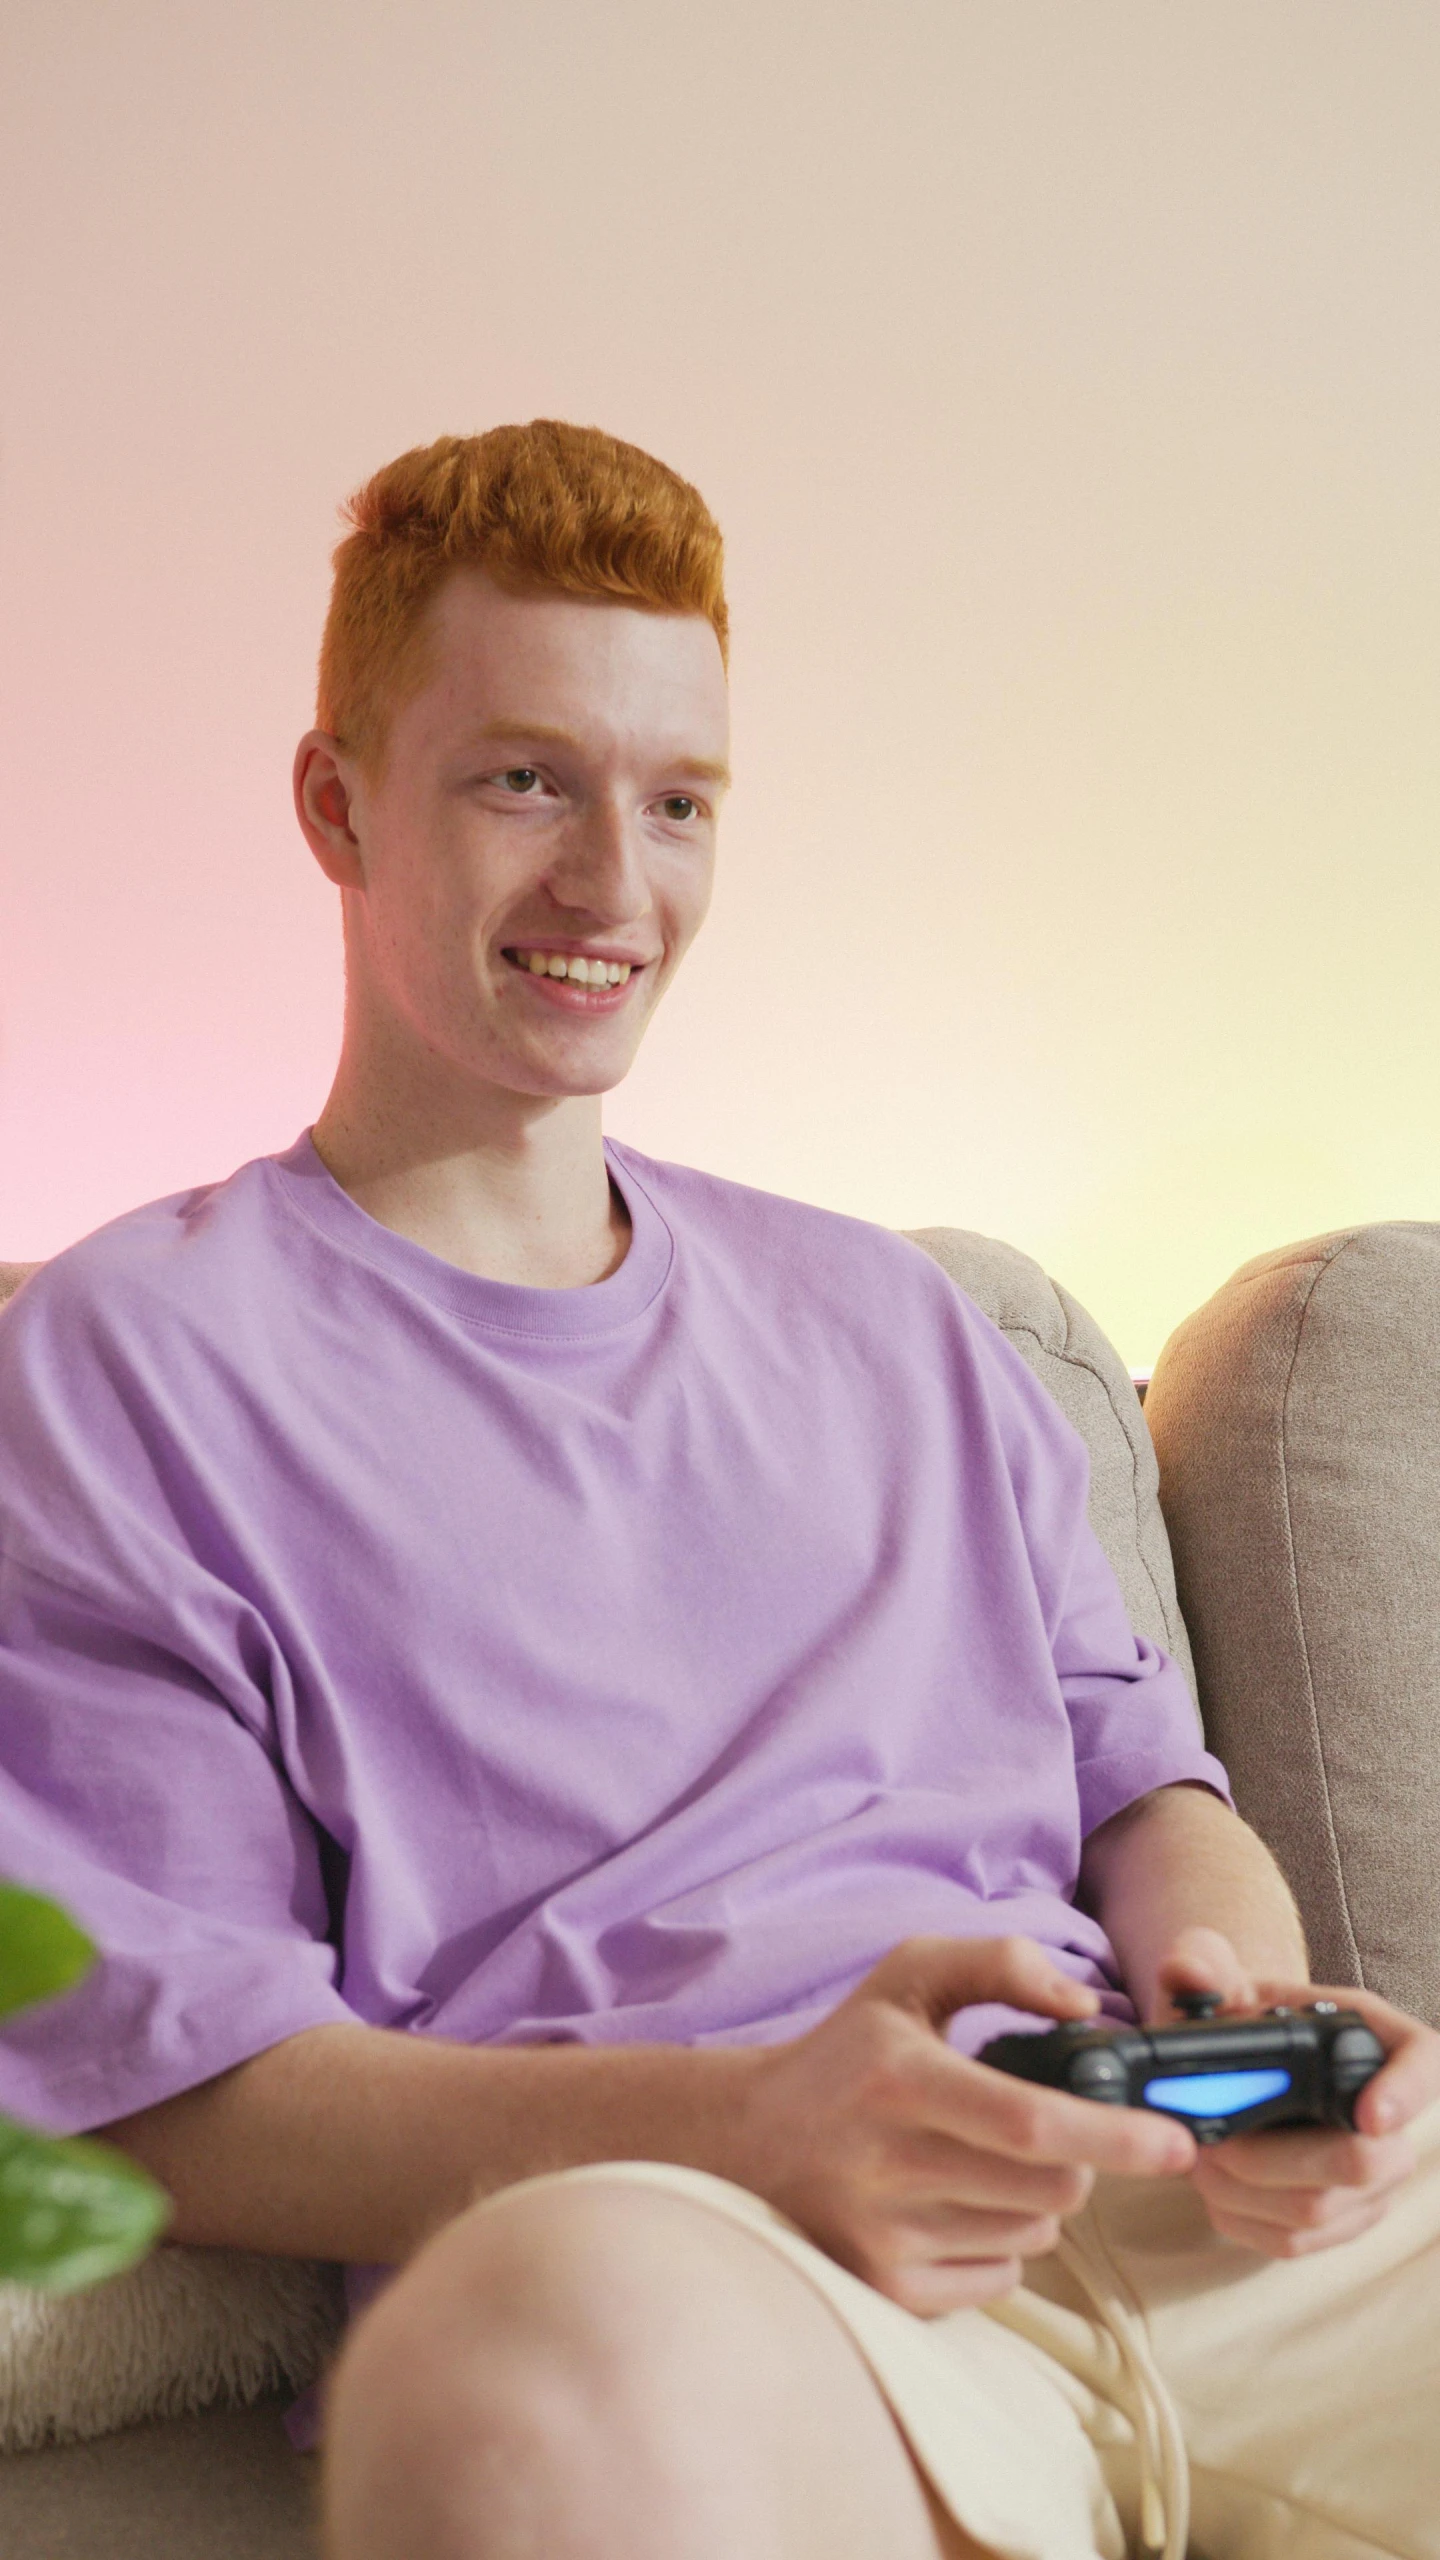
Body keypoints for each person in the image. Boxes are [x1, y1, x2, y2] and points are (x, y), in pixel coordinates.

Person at [0, 422, 1435, 2560]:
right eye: (524, 781)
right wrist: (761, 2119)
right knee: (514, 2379)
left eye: (678, 800)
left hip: (1155, 2184)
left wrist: (1248, 2019)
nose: (612, 882)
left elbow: (1157, 1796)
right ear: (336, 802)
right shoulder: (131, 1362)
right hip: (694, 2254)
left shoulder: (892, 1316)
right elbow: (184, 2086)